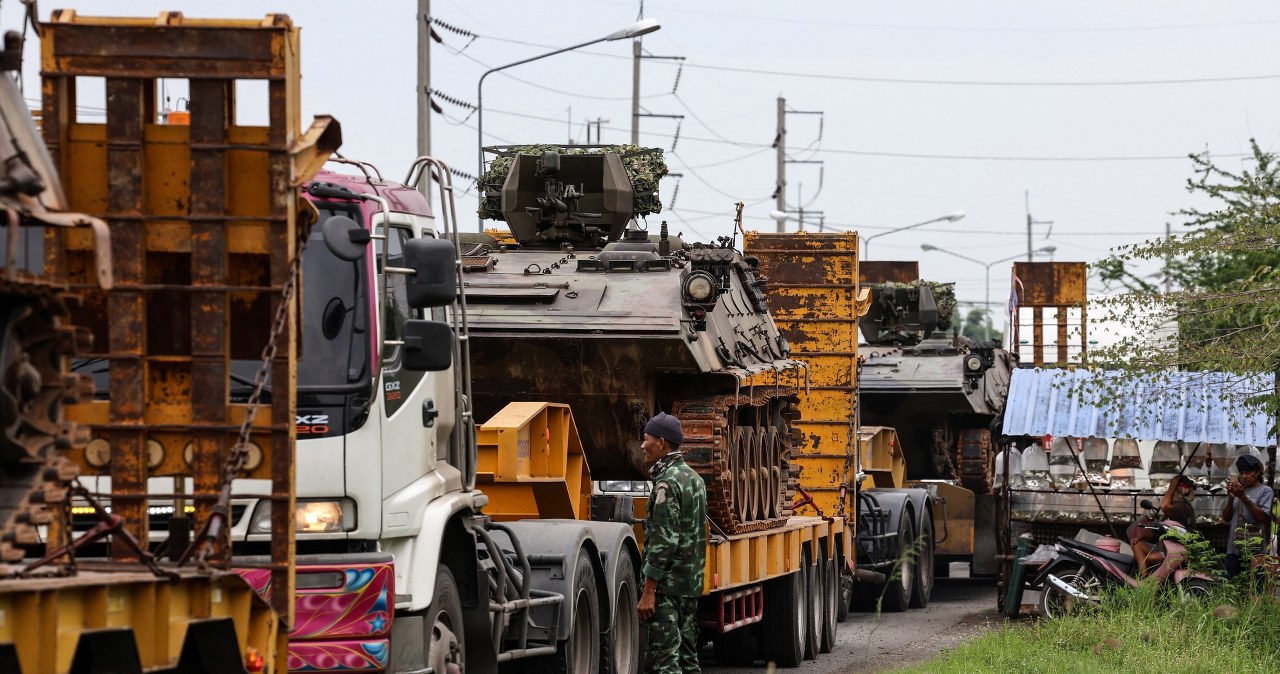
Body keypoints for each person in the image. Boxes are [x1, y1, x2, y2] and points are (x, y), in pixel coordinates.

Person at [636, 411, 707, 674]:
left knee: (664, 662)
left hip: (667, 589)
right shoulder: (694, 479)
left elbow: (663, 540)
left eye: (646, 439)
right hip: (690, 586)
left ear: (662, 443)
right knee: (688, 660)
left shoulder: (667, 483)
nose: (643, 445)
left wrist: (649, 590)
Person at [1127, 474, 1197, 576]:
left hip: (1174, 552)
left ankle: (1145, 579)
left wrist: (1172, 486)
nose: (1168, 494)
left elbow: (1164, 505)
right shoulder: (1176, 511)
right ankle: (1144, 576)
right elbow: (1161, 531)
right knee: (1137, 543)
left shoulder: (1182, 507)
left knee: (1146, 559)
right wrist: (1141, 536)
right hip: (1166, 548)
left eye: (1171, 492)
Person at [1222, 454, 1274, 578]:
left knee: (1255, 590)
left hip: (1255, 551)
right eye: (1242, 473)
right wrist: (1230, 499)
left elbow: (1262, 517)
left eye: (1248, 473)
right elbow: (1226, 518)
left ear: (1257, 473)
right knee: (1232, 589)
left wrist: (1243, 497)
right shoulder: (1237, 490)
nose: (1244, 476)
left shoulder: (1265, 491)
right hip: (1233, 551)